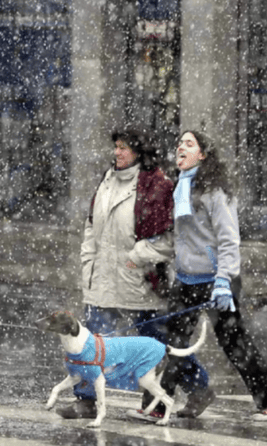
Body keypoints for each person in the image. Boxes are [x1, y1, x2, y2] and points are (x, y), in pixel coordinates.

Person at [131, 130, 267, 423]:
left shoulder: (216, 192)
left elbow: (229, 239)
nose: (181, 147)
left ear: (202, 154)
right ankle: (157, 405)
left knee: (233, 342)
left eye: (189, 144)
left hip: (217, 280)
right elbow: (179, 239)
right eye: (179, 143)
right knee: (172, 343)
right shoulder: (180, 189)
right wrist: (147, 255)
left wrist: (225, 281)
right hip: (187, 279)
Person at [59, 127, 211, 420]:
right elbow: (92, 224)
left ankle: (199, 387)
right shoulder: (106, 180)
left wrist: (137, 257)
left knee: (155, 341)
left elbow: (170, 237)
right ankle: (87, 400)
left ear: (139, 152)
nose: (117, 153)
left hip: (139, 281)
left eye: (124, 148)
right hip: (102, 279)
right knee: (92, 343)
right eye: (116, 147)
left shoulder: (157, 186)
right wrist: (87, 257)